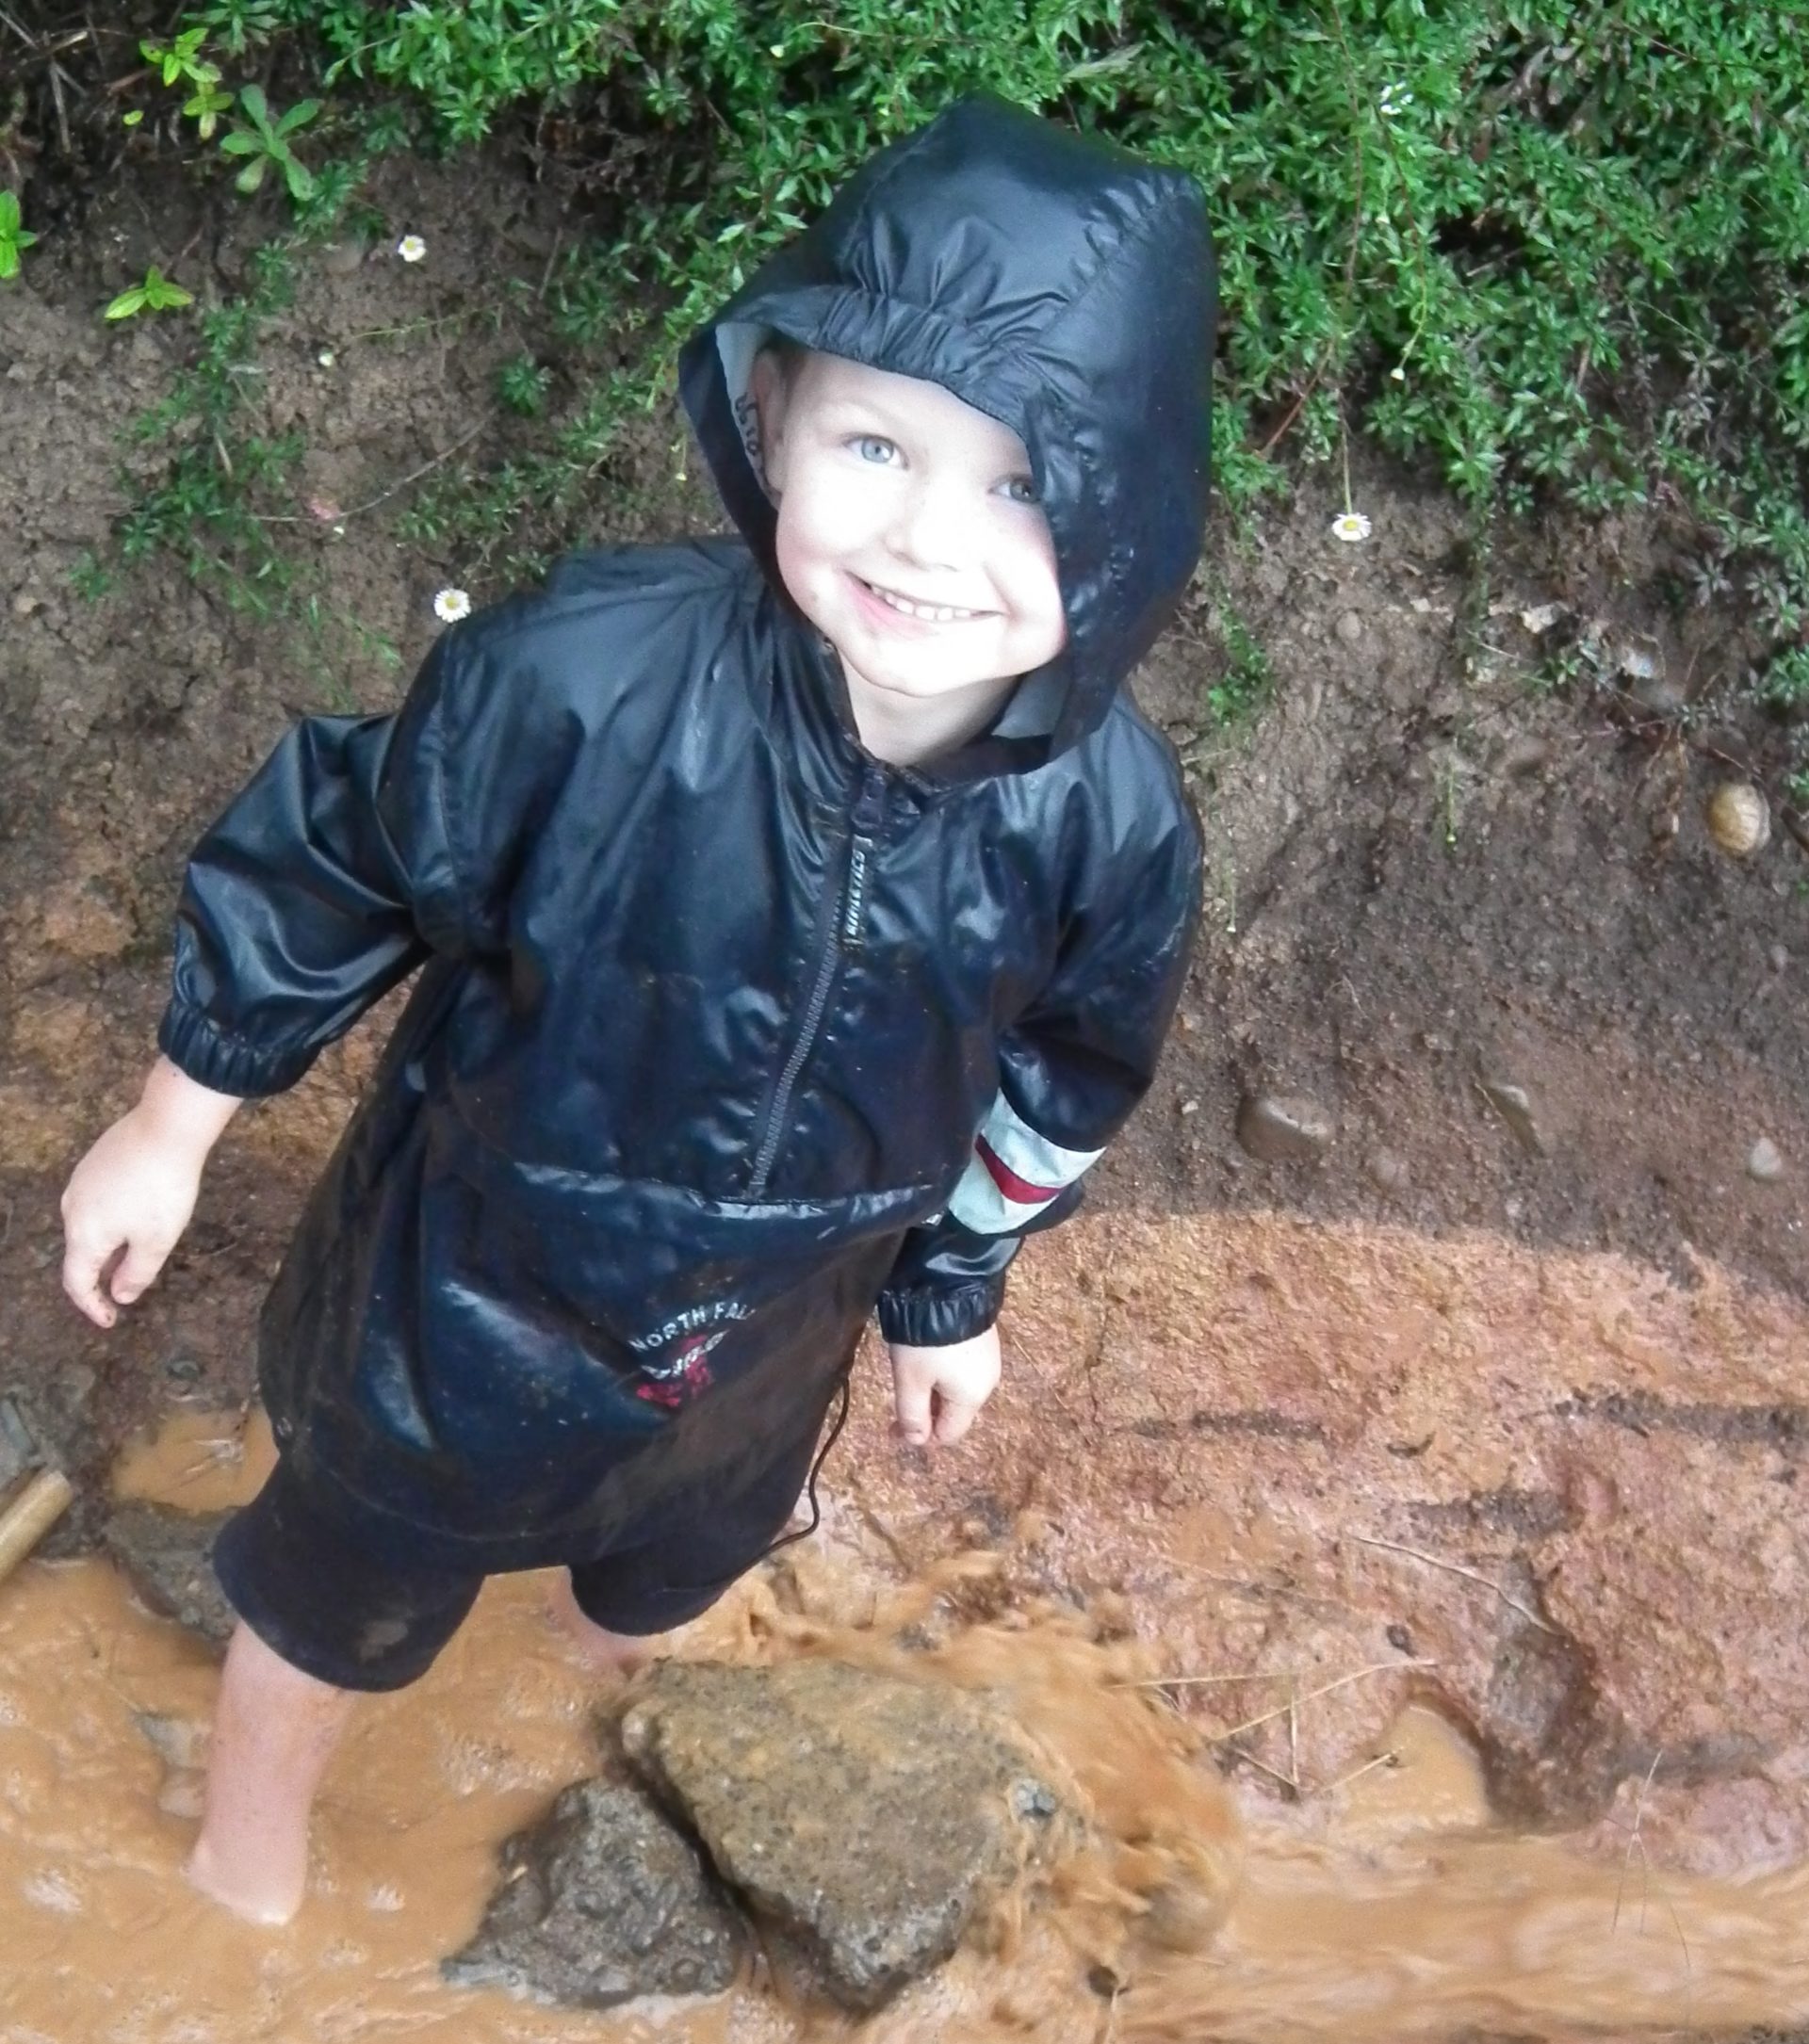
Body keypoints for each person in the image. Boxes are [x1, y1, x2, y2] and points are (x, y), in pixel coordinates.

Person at [59, 95, 1216, 1926]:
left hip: (775, 1323)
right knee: (336, 1590)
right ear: (772, 423)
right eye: (878, 444)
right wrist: (173, 1120)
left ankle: (586, 1725)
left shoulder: (1108, 821)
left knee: (668, 1567)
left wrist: (947, 1287)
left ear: (1127, 517)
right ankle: (245, 1852)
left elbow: (1068, 1076)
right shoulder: (583, 678)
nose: (928, 536)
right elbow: (342, 855)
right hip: (473, 1286)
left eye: (1019, 480)